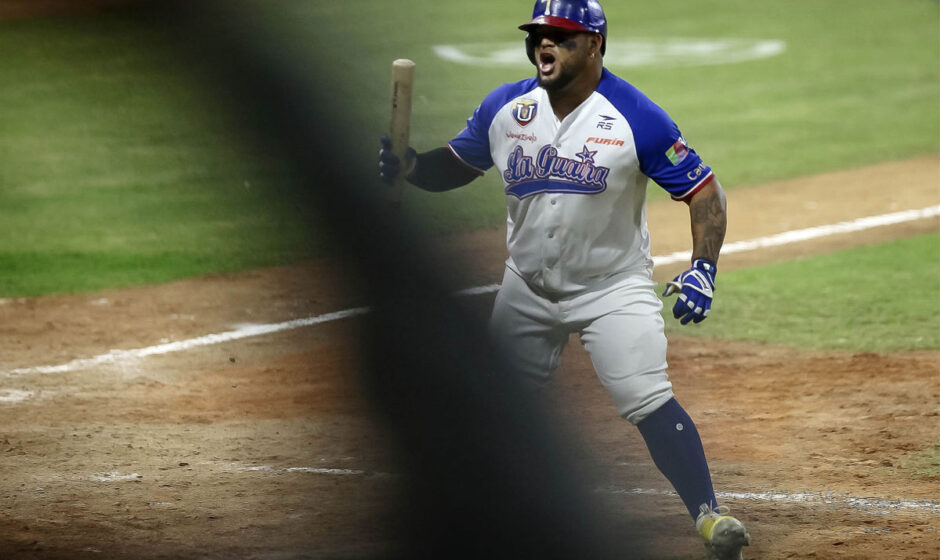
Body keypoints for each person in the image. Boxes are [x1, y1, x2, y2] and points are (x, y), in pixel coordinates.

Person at [378, 1, 750, 558]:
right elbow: (458, 163)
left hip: (612, 288)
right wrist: (411, 166)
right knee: (491, 408)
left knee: (647, 398)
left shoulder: (637, 117)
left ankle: (709, 517)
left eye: (560, 35)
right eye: (538, 35)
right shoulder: (505, 108)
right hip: (525, 289)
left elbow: (704, 191)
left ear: (594, 44)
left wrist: (704, 269)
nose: (544, 44)